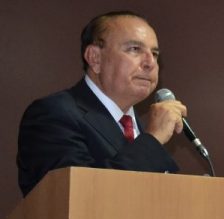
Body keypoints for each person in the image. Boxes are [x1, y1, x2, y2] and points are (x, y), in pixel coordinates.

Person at [17, 11, 185, 196]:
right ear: (95, 58)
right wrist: (153, 139)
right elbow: (76, 195)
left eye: (154, 53)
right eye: (134, 49)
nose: (150, 63)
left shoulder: (136, 127)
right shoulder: (53, 114)